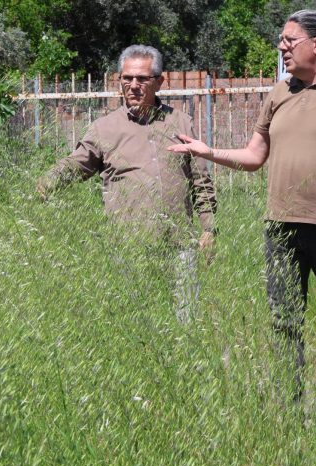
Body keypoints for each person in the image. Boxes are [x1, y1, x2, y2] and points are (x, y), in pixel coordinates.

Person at [167, 10, 316, 443]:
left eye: (289, 40)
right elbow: (254, 157)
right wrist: (207, 151)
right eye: (281, 40)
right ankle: (287, 410)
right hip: (282, 228)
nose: (282, 47)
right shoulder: (279, 92)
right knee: (284, 320)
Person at [37, 44, 217, 323]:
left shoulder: (181, 122)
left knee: (187, 324)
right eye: (127, 78)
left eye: (142, 79)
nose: (133, 86)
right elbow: (77, 163)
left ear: (159, 82)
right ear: (119, 80)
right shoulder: (104, 129)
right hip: (130, 248)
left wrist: (209, 228)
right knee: (137, 322)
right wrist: (44, 185)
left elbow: (200, 180)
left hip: (179, 246)